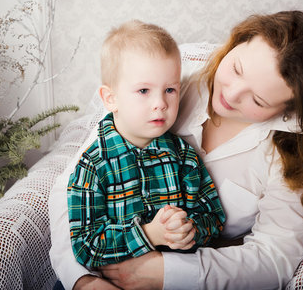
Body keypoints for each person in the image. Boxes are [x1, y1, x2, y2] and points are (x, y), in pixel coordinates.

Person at [49, 11, 303, 289]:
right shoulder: (171, 87)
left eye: (258, 100)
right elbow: (73, 187)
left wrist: (168, 272)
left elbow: (274, 257)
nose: (230, 95)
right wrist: (82, 280)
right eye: (236, 69)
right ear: (238, 42)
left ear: (291, 109)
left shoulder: (293, 156)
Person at [66, 20, 225, 269]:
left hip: (176, 277)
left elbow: (213, 217)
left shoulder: (184, 156)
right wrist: (149, 234)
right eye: (143, 91)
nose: (160, 103)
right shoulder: (94, 165)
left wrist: (189, 229)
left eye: (170, 89)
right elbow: (86, 246)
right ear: (111, 99)